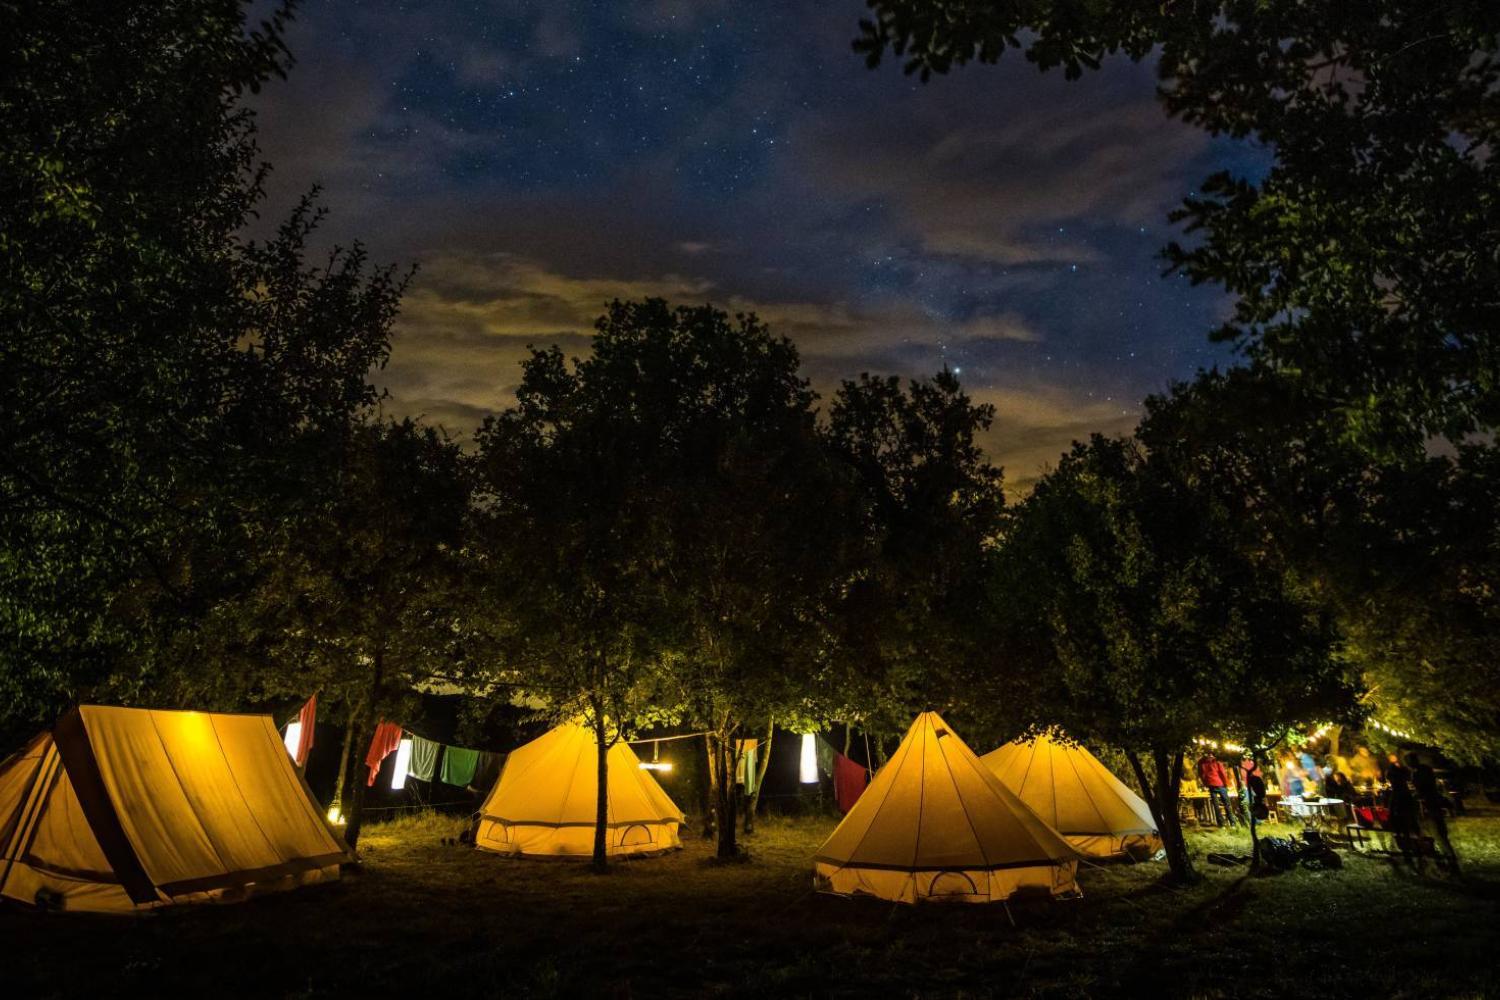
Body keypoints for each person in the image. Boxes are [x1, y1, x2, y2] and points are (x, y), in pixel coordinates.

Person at [1411, 755, 1458, 870]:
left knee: (1440, 836)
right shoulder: (1424, 770)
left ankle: (1451, 863)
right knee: (1439, 835)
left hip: (1432, 806)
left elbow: (1422, 788)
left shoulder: (1420, 772)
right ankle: (1447, 861)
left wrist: (1416, 794)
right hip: (1432, 805)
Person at [1384, 752, 1421, 865]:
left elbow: (1404, 776)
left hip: (1401, 797)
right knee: (1402, 822)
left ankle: (1413, 846)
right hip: (1402, 796)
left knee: (1404, 821)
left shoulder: (1399, 771)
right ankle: (1408, 846)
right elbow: (1392, 776)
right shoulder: (1395, 771)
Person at [1197, 751, 1237, 827]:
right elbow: (1222, 773)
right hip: (1220, 784)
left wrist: (1205, 783)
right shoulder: (1216, 761)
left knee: (1216, 805)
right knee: (1227, 804)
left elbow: (1201, 774)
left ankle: (1221, 824)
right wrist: (1226, 784)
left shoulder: (1201, 762)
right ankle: (1232, 823)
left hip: (1210, 785)